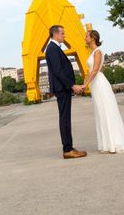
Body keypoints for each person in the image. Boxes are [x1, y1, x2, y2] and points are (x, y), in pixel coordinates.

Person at [76, 29, 124, 154]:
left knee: (107, 111)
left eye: (86, 36)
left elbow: (95, 70)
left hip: (100, 84)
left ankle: (114, 144)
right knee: (101, 112)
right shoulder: (93, 53)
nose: (84, 38)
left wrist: (85, 85)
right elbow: (98, 69)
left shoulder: (98, 51)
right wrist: (85, 84)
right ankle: (107, 144)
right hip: (95, 85)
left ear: (93, 38)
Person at [44, 25, 87, 159]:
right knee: (65, 119)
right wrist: (72, 85)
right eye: (62, 33)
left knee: (65, 118)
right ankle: (67, 149)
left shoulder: (54, 48)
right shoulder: (52, 49)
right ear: (55, 34)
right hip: (62, 88)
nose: (64, 36)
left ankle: (69, 147)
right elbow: (58, 71)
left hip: (62, 88)